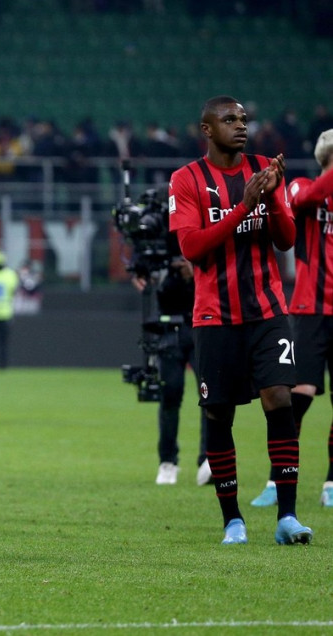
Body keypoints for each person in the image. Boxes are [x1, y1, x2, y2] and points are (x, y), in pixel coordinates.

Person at [168, 95, 311, 545]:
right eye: (229, 119)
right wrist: (243, 207)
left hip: (267, 311)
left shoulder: (264, 167)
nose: (241, 125)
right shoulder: (186, 180)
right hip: (214, 316)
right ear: (207, 129)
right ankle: (233, 520)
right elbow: (191, 248)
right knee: (218, 412)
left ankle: (287, 516)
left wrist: (269, 202)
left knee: (280, 398)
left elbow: (286, 241)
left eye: (244, 118)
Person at [250, 128, 333, 508]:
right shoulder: (302, 187)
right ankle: (275, 480)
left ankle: (331, 483)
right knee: (299, 394)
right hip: (309, 308)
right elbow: (314, 195)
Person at [128, 247, 210, 487]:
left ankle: (209, 459)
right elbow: (140, 266)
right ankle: (167, 461)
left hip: (201, 325)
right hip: (169, 329)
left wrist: (194, 272)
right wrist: (144, 277)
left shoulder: (201, 233)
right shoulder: (160, 243)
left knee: (209, 395)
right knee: (171, 393)